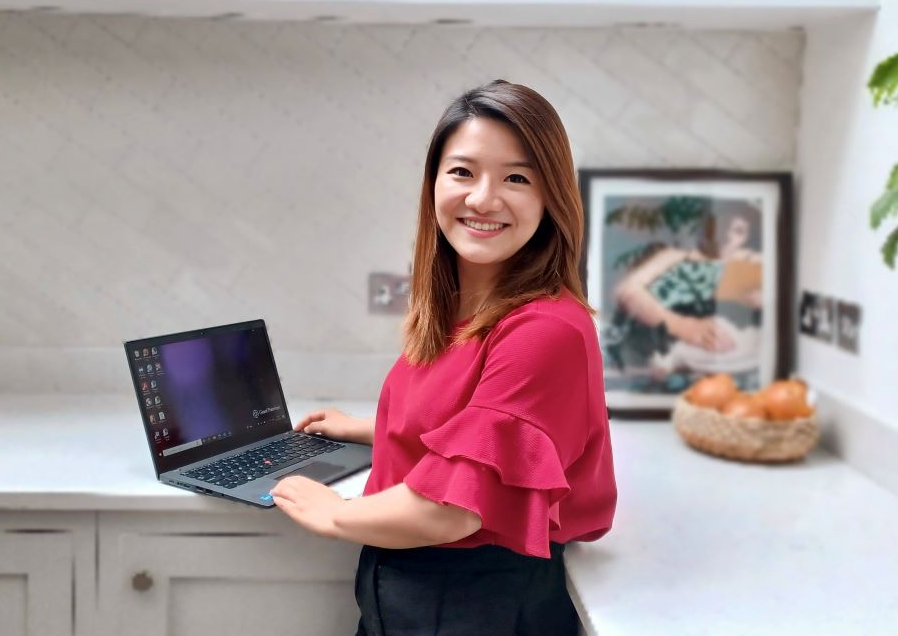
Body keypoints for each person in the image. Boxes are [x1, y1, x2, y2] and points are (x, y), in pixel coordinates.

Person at [269, 79, 617, 636]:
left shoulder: (546, 330)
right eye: (462, 172)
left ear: (551, 196)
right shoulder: (464, 305)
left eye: (517, 178)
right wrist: (374, 429)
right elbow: (477, 428)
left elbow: (451, 510)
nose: (482, 198)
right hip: (419, 592)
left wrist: (333, 511)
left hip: (479, 604)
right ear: (433, 183)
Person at [606, 207, 764, 383]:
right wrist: (682, 325)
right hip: (646, 347)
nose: (727, 235)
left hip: (717, 360)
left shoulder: (749, 265)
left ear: (747, 237)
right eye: (722, 225)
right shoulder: (676, 256)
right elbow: (627, 291)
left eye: (738, 231)